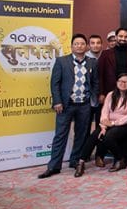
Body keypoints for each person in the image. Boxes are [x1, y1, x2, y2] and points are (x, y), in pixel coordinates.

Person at [38, 34, 99, 179]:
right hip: (65, 105)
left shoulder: (92, 62)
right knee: (60, 135)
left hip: (84, 105)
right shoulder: (61, 61)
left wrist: (93, 98)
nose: (79, 46)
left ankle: (75, 161)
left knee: (81, 135)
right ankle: (53, 166)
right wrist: (57, 101)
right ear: (72, 46)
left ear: (86, 46)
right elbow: (55, 83)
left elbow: (95, 82)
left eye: (82, 44)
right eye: (76, 44)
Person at [74, 73, 127, 177]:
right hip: (108, 124)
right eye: (121, 81)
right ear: (117, 82)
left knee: (108, 137)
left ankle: (120, 159)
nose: (123, 84)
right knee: (95, 134)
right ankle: (81, 162)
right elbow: (104, 113)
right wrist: (103, 127)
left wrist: (113, 123)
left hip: (124, 125)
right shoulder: (110, 95)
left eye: (126, 82)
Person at [97, 27, 127, 103]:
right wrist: (101, 93)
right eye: (121, 36)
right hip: (109, 92)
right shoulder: (105, 54)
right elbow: (100, 74)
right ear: (116, 37)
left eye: (126, 37)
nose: (123, 39)